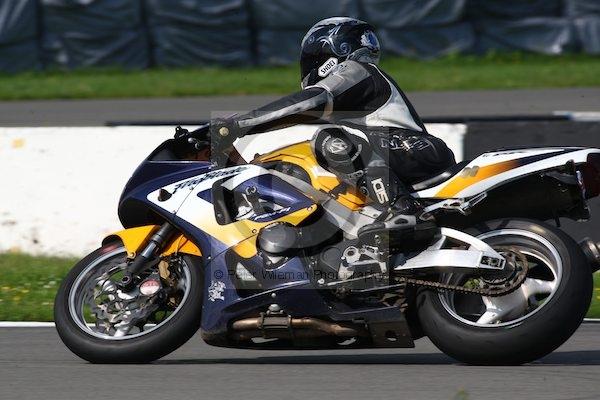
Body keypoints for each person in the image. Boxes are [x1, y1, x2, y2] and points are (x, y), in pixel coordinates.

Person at [210, 17, 455, 246]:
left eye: (314, 58)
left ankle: (404, 211)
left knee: (331, 139)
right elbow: (299, 114)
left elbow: (312, 101)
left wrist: (240, 124)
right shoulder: (360, 89)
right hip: (407, 151)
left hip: (415, 148)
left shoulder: (357, 69)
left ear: (334, 52)